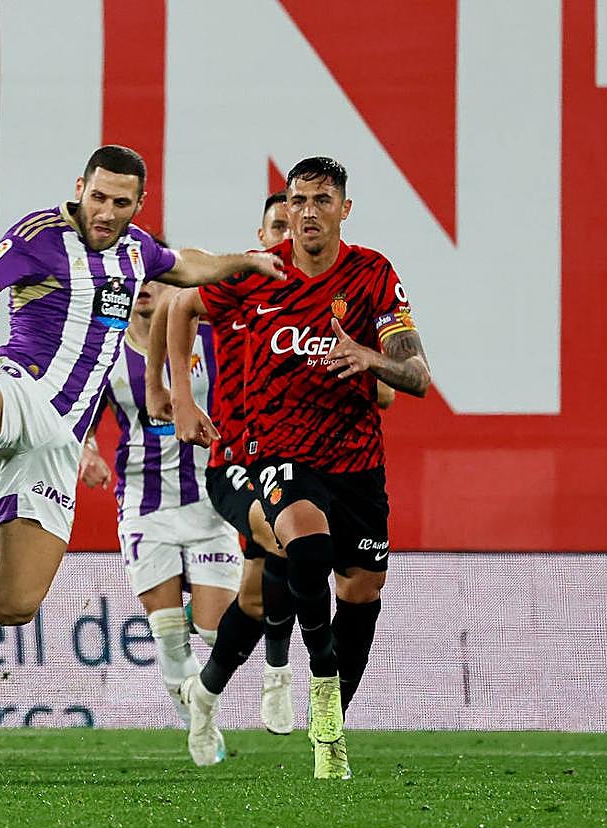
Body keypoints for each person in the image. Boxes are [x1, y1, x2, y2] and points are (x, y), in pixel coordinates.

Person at [0, 144, 283, 670]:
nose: (105, 212)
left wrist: (245, 261)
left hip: (59, 441)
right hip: (24, 384)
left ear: (139, 204)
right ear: (79, 189)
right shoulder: (39, 236)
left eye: (120, 202)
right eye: (97, 197)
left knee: (15, 602)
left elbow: (186, 265)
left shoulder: (138, 251)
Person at [169, 156, 430, 780]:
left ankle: (326, 716)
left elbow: (415, 376)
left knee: (356, 589)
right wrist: (178, 397)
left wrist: (368, 355)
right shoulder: (261, 274)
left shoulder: (372, 274)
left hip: (358, 461)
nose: (306, 211)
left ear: (344, 208)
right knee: (302, 548)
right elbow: (180, 304)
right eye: (297, 200)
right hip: (272, 453)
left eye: (320, 199)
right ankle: (305, 676)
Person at [146, 193, 299, 746]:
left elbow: (382, 393)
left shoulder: (332, 294)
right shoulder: (242, 288)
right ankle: (279, 674)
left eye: (297, 223)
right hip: (234, 460)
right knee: (288, 537)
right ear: (261, 236)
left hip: (300, 460)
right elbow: (175, 304)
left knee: (256, 596)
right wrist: (169, 393)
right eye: (278, 224)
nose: (288, 233)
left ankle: (205, 696)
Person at [77, 274, 242, 737]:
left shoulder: (207, 339)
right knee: (168, 635)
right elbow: (81, 419)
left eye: (159, 279)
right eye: (138, 279)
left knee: (217, 633)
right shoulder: (106, 351)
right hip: (143, 504)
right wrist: (87, 452)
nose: (146, 287)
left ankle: (195, 617)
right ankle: (200, 729)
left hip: (210, 504)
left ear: (177, 289)